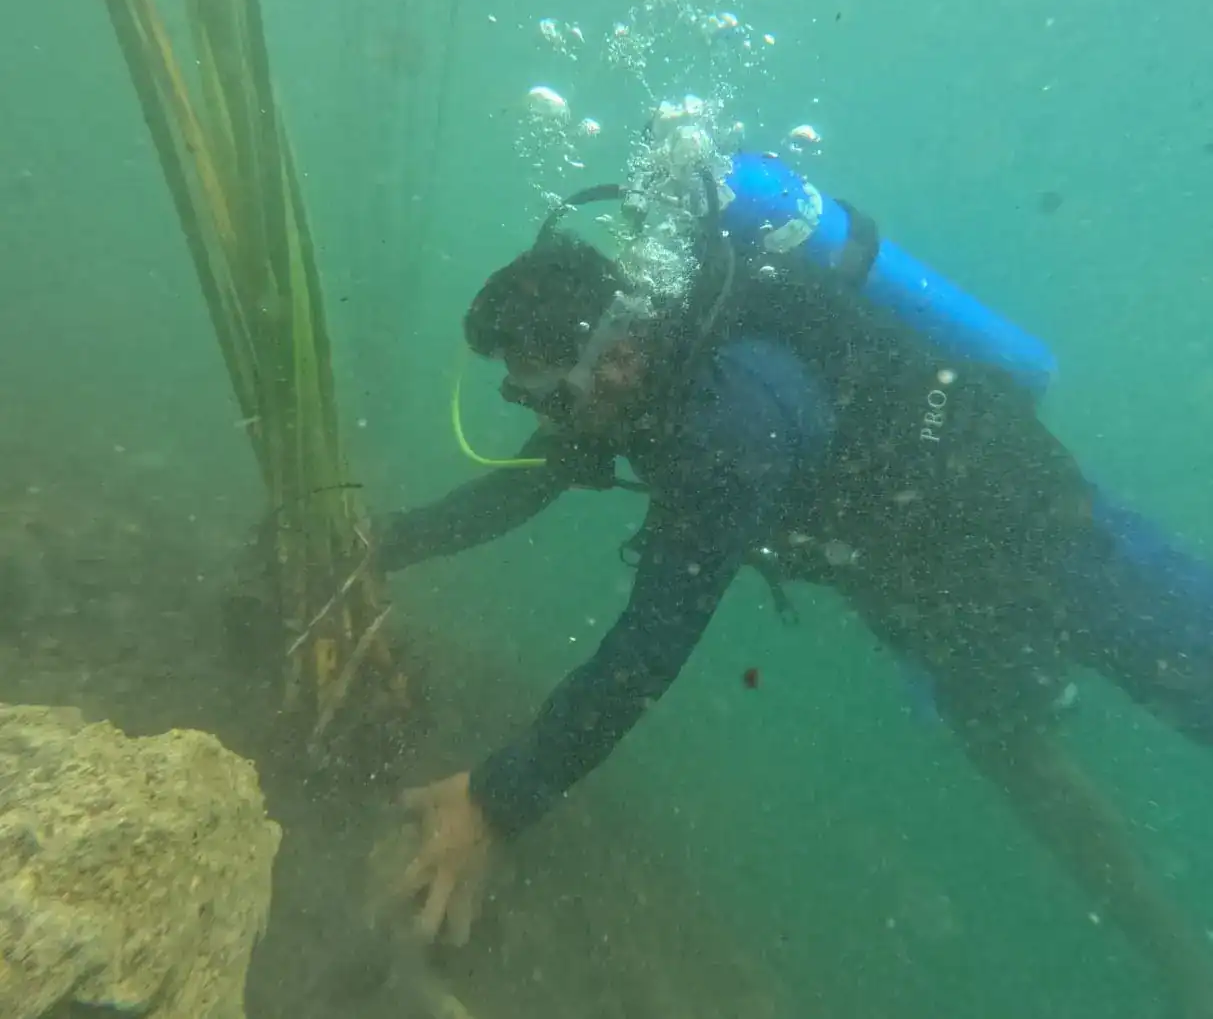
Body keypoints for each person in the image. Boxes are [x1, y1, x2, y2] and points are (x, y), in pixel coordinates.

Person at [377, 151, 1213, 1014]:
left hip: (1041, 530)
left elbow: (646, 648)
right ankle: (1187, 971)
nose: (545, 417)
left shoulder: (732, 421)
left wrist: (494, 801)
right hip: (921, 591)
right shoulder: (641, 379)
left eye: (545, 396)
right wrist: (377, 545)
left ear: (613, 353)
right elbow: (522, 483)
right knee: (1036, 777)